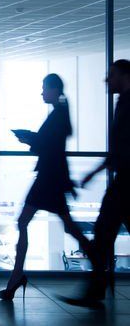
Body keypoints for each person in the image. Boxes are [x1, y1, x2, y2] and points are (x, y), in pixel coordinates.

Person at [0, 73, 93, 300]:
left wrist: (29, 138)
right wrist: (32, 138)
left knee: (24, 222)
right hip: (52, 179)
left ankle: (17, 276)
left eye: (44, 88)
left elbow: (49, 147)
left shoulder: (58, 115)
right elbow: (53, 146)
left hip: (47, 179)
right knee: (67, 226)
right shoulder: (60, 113)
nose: (42, 92)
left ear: (53, 89)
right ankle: (99, 262)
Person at [61, 60, 130, 308]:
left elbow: (122, 149)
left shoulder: (127, 104)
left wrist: (95, 172)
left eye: (111, 75)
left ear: (124, 75)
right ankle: (96, 288)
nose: (107, 80)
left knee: (103, 232)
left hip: (126, 182)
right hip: (124, 180)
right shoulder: (123, 103)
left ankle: (96, 289)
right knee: (103, 232)